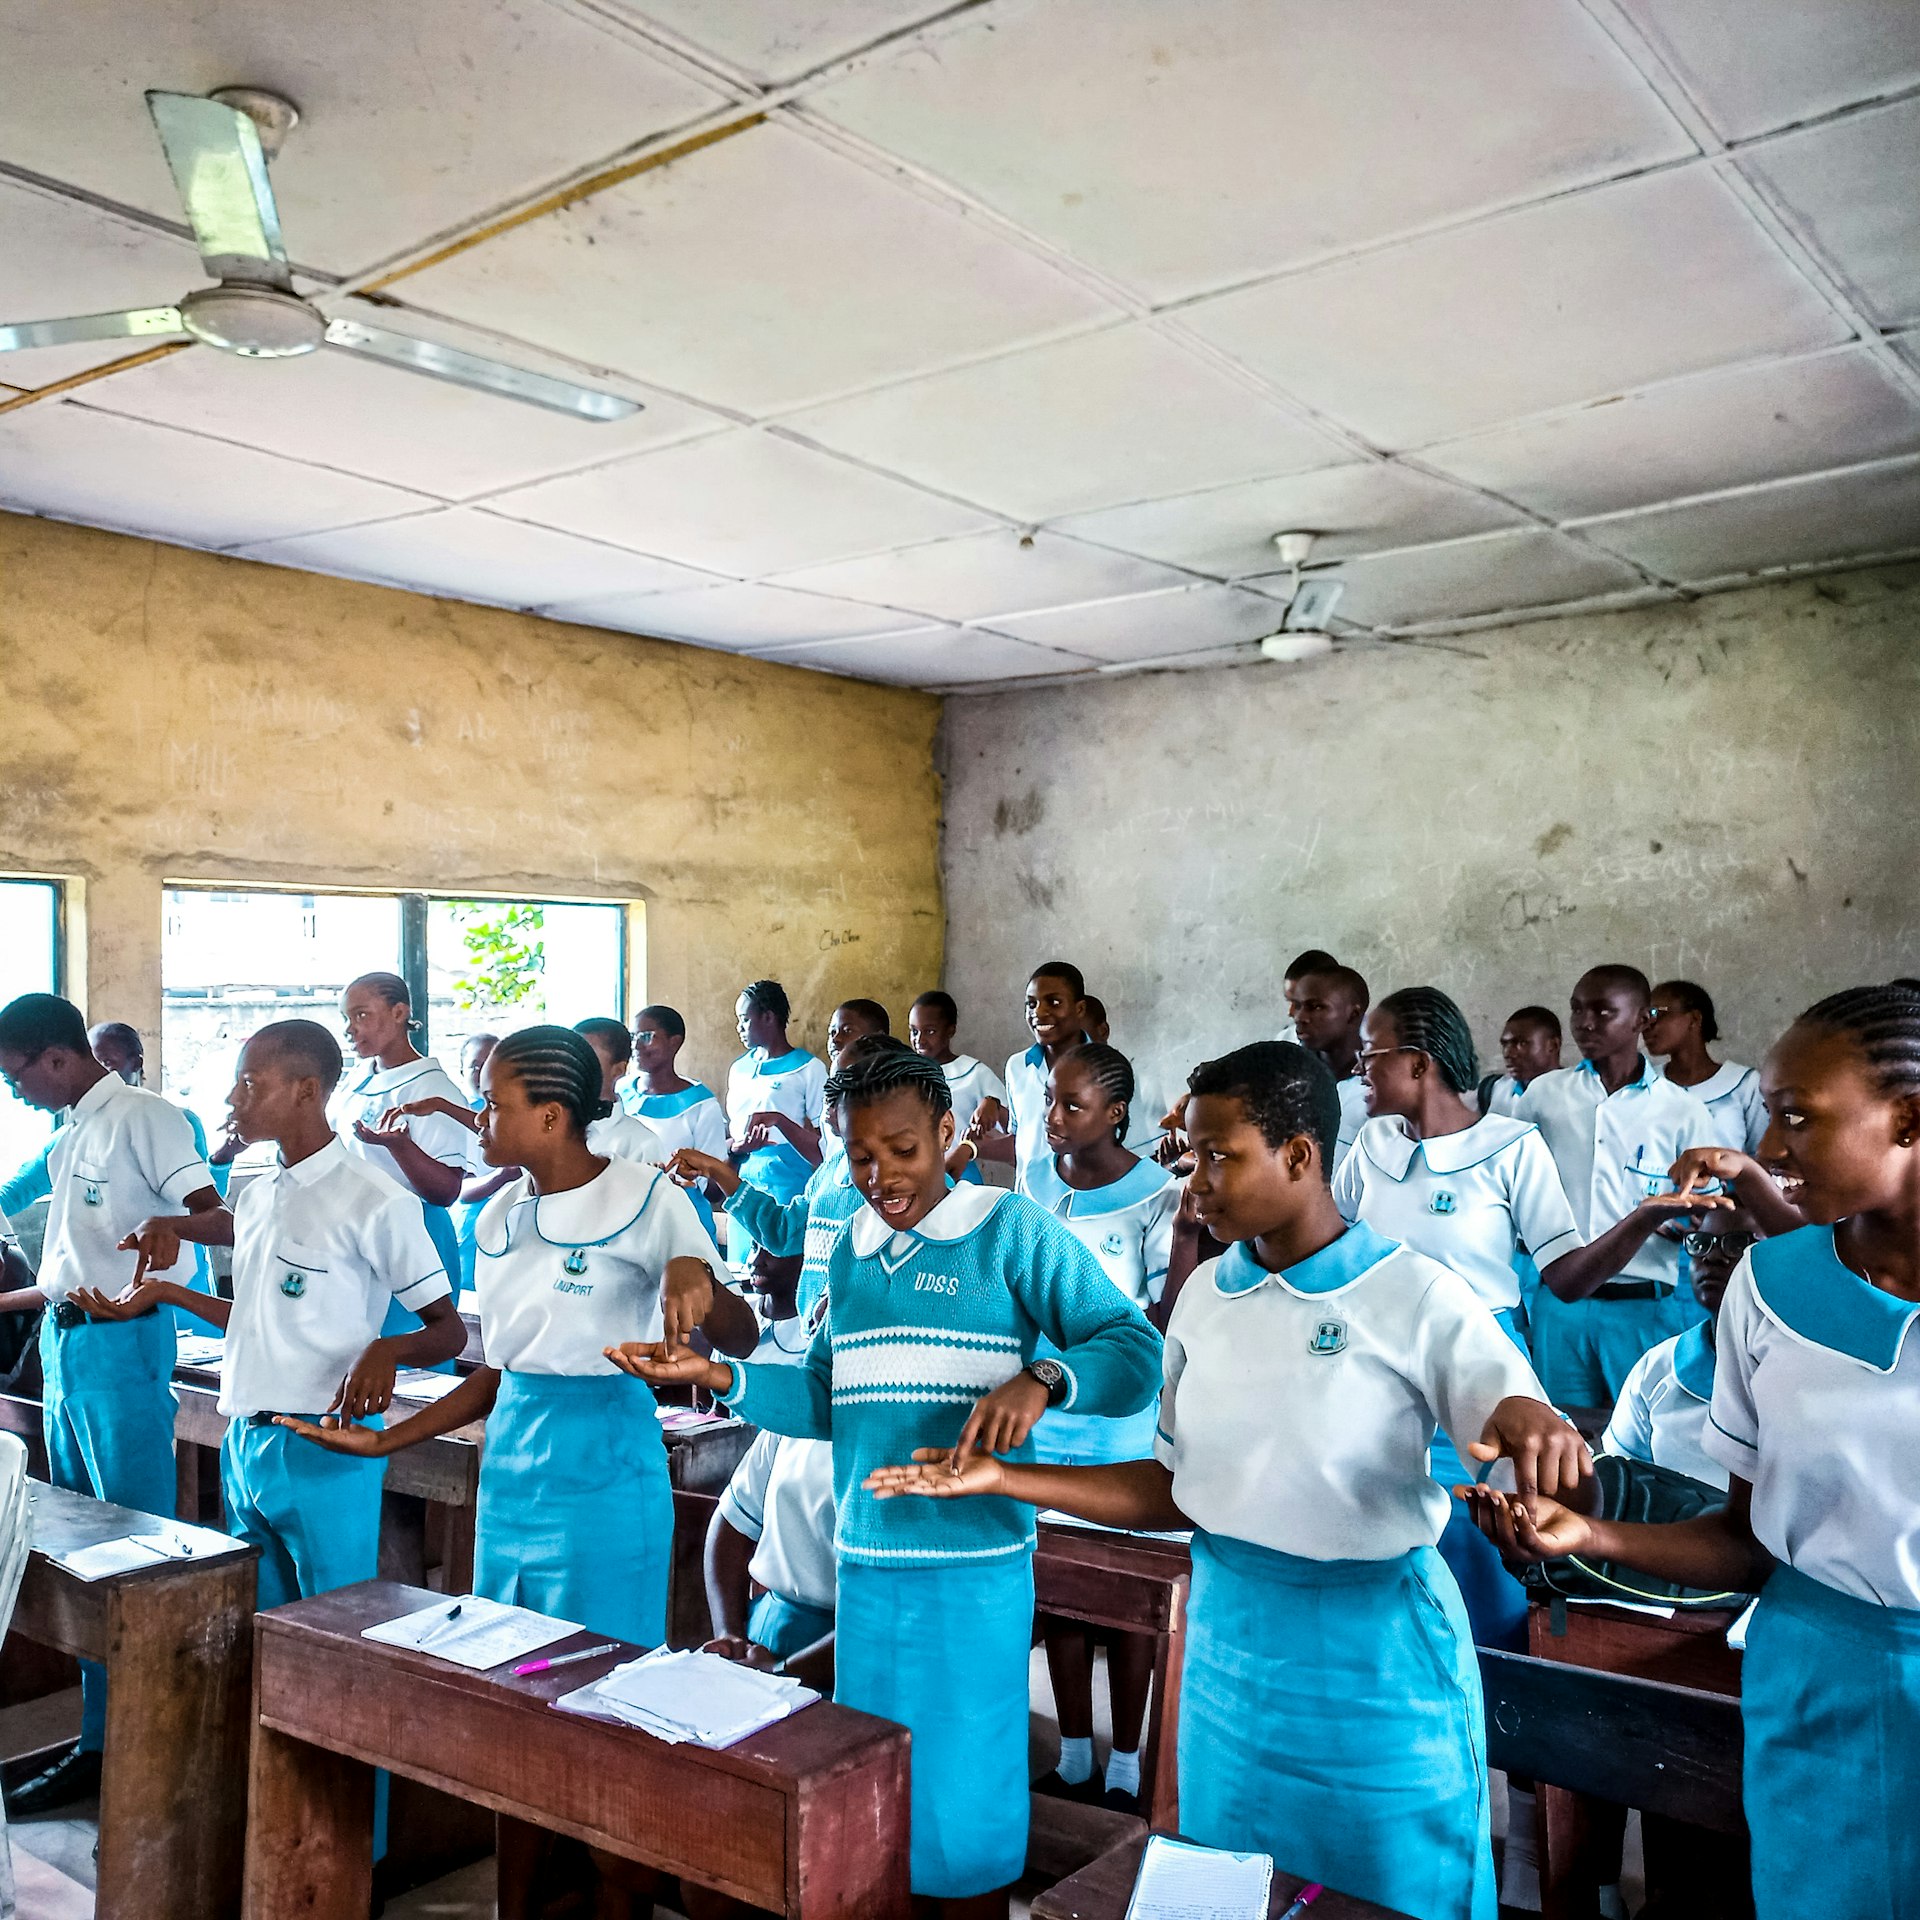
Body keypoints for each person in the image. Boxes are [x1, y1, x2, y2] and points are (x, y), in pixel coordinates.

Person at [867, 1041, 1582, 1920]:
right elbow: (1175, 1486)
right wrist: (1003, 1481)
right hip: (1229, 1654)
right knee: (1234, 1884)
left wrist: (1527, 1419)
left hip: (1373, 1659)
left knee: (1393, 1887)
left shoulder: (1414, 1295)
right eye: (1192, 1154)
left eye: (1218, 1156)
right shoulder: (1205, 1297)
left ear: (1298, 1155)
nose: (1194, 1180)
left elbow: (1505, 1405)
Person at [610, 1046, 1161, 1918]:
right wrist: (722, 1380)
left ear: (948, 1134)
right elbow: (829, 1399)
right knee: (877, 1808)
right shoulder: (857, 1252)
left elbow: (1133, 1350)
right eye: (861, 1156)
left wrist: (1045, 1380)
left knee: (967, 1819)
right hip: (864, 1573)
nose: (881, 1177)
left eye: (902, 1151)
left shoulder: (1010, 1230)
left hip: (969, 1574)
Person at [1466, 984, 1920, 1920]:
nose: (1772, 1152)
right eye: (1768, 1117)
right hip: (1813, 1679)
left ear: (1908, 1119)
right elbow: (1744, 1543)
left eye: (1799, 1119)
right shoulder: (1769, 1284)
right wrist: (1586, 1535)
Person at [279, 1026, 756, 1640]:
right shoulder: (499, 1219)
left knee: (596, 1664)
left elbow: (740, 1337)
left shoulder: (643, 1194)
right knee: (507, 1658)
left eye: (493, 1105)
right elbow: (500, 1375)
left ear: (551, 1116)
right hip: (508, 1479)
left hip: (604, 1472)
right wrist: (387, 1441)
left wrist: (696, 1275)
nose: (477, 1119)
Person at [78, 1020, 464, 1607]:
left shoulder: (375, 1199)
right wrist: (168, 1293)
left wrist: (387, 1349)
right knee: (262, 1623)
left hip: (323, 1441)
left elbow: (448, 1330)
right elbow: (258, 1318)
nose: (234, 1100)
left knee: (334, 1622)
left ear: (307, 1090)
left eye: (250, 1084)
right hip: (246, 1437)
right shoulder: (257, 1192)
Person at [0, 993, 222, 1814]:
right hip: (68, 1344)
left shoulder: (146, 1118)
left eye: (19, 1075)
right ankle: (99, 1742)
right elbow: (64, 1263)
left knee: (133, 1553)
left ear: (55, 1058)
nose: (16, 1091)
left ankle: (146, 1748)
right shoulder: (70, 1135)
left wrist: (162, 1243)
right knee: (87, 1555)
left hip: (124, 1344)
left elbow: (212, 1217)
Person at [1024, 1043, 1179, 1814]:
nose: (1054, 1119)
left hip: (1116, 1421)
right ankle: (1077, 1754)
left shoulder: (1158, 1196)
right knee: (1059, 1594)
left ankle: (1126, 1761)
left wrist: (1079, 1357)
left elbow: (1156, 1321)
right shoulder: (1034, 1182)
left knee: (1124, 1597)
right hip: (1045, 1415)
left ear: (1115, 1114)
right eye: (1050, 1102)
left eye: (1072, 1106)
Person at [1517, 967, 1718, 1406]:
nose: (1585, 1023)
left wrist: (1689, 1221)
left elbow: (1709, 1206)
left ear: (1641, 1019)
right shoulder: (1543, 1096)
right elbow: (1507, 1183)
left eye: (1603, 1011)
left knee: (1648, 1438)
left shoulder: (1682, 1111)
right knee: (1562, 1436)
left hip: (1643, 1307)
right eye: (1577, 1010)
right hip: (1560, 1306)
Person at [673, 1017, 894, 1321]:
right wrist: (716, 1169)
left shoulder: (895, 1182)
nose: (829, 1093)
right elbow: (783, 1232)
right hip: (818, 1339)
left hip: (866, 1340)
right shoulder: (831, 1172)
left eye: (844, 1084)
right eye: (832, 1082)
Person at [330, 972, 474, 1294]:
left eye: (361, 1015)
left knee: (410, 1338)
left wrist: (400, 1147)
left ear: (399, 1013)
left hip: (414, 1240)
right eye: (346, 1018)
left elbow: (446, 1191)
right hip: (358, 1237)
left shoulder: (431, 1088)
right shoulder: (357, 1079)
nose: (349, 1028)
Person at [972, 961, 1093, 1196]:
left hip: (1083, 1206)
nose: (1038, 1012)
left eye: (1053, 1002)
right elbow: (1021, 1141)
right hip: (1029, 1208)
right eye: (1031, 1004)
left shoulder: (1104, 1071)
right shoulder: (1018, 1067)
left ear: (1079, 1009)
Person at [725, 981, 827, 1238]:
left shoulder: (808, 1068)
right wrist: (737, 1149)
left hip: (787, 1178)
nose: (739, 1028)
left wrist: (780, 1122)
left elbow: (825, 1143)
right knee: (743, 1261)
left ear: (769, 1017)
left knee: (780, 1249)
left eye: (745, 1019)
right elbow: (732, 1130)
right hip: (742, 1176)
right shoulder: (738, 1069)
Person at [621, 1005, 729, 1236]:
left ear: (674, 1042)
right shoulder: (620, 1093)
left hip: (683, 1217)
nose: (636, 1045)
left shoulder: (700, 1105)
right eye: (633, 1037)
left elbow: (714, 1189)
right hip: (626, 1212)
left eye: (647, 1037)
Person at [1647, 981, 1766, 1153]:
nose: (1647, 1024)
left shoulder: (1744, 1084)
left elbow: (1760, 1157)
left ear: (1694, 1019)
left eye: (1656, 1013)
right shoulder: (1648, 1083)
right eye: (1643, 1017)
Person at [908, 992, 1008, 1183]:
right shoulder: (905, 1074)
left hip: (961, 1171)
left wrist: (993, 1106)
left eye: (930, 1031)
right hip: (915, 1172)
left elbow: (1010, 1125)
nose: (919, 1039)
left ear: (950, 1031)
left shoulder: (973, 1073)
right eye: (914, 1031)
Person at [1289, 964, 1371, 1162]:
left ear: (1353, 1014)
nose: (1300, 1017)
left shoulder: (1376, 1089)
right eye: (1298, 1006)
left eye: (1316, 1007)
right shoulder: (1289, 1076)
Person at [453, 1032, 510, 1298]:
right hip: (470, 1226)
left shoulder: (513, 1115)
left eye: (490, 1063)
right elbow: (458, 1188)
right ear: (462, 1069)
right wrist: (502, 1177)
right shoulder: (459, 1114)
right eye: (476, 1065)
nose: (483, 1071)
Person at [572, 1017, 667, 1164]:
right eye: (570, 1058)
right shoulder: (552, 1126)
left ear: (618, 1070)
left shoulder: (642, 1145)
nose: (574, 1067)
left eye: (587, 1060)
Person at [1482, 1007, 1563, 1118]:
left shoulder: (1575, 1096)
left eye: (1522, 1043)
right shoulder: (1495, 1091)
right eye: (1505, 1044)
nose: (1508, 1054)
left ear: (1553, 1045)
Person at [1275, 948, 1340, 1046]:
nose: (1291, 1012)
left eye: (1299, 1004)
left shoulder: (1367, 1039)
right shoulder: (1285, 1039)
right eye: (1290, 1002)